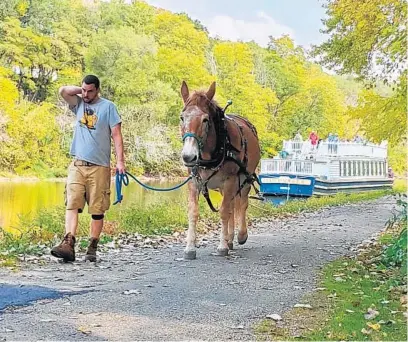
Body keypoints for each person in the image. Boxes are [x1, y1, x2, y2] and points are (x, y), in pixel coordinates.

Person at [51, 75, 125, 262]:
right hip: (78, 163)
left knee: (97, 209)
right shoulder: (79, 103)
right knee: (72, 203)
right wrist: (81, 91)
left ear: (98, 90)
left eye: (90, 91)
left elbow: (116, 135)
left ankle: (92, 246)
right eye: (84, 90)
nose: (86, 94)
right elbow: (62, 91)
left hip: (100, 166)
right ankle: (68, 243)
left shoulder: (108, 107)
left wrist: (120, 162)